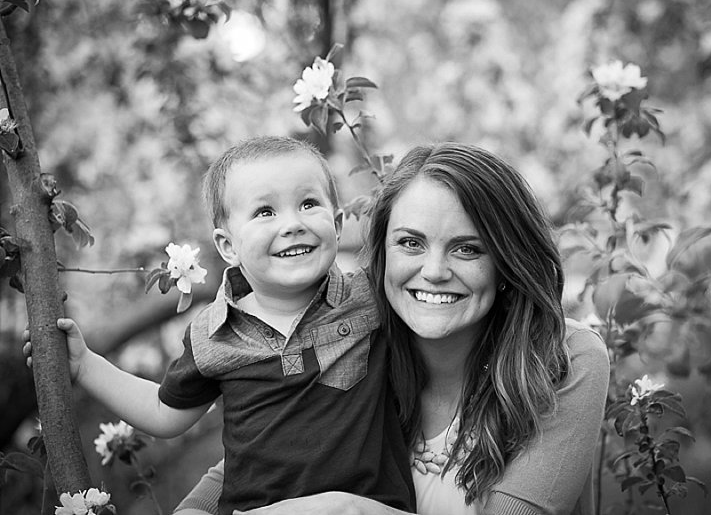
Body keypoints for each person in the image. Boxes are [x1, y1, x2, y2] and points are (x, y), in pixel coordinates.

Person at [173, 142, 610, 515]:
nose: (434, 271)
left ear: (506, 262)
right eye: (411, 243)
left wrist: (352, 510)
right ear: (382, 252)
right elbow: (263, 456)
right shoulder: (357, 339)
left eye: (467, 248)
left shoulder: (563, 358)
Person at [23, 136, 415, 515]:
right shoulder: (214, 335)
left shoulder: (369, 297)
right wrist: (86, 366)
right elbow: (165, 412)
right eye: (265, 212)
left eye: (309, 203)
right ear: (228, 246)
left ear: (338, 221)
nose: (292, 224)